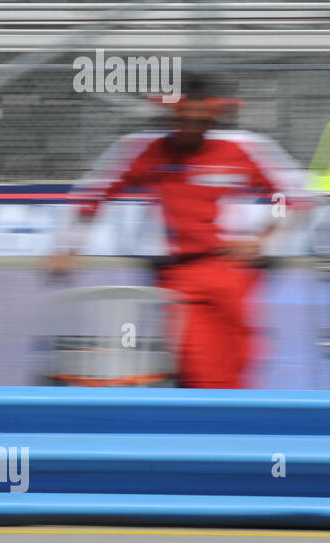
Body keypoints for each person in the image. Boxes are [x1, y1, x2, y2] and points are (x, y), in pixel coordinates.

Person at [47, 76, 308, 389]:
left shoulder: (240, 150)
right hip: (179, 275)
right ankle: (205, 431)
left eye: (200, 120)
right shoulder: (150, 151)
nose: (191, 126)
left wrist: (264, 238)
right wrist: (68, 246)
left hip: (230, 272)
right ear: (174, 115)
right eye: (184, 118)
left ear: (213, 117)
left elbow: (290, 197)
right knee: (196, 366)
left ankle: (233, 431)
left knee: (239, 361)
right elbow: (95, 194)